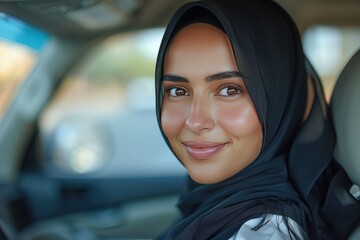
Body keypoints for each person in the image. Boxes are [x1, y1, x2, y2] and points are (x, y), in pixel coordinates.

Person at [154, 0, 336, 239]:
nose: (195, 121)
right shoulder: (215, 202)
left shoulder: (264, 232)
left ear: (279, 101)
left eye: (229, 90)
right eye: (178, 91)